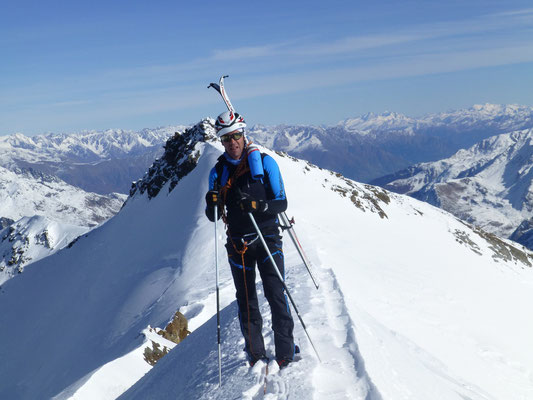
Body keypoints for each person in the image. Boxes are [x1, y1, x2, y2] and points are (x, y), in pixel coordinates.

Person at [205, 110, 296, 369]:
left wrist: (257, 205)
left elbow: (281, 202)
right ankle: (255, 353)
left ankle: (285, 353)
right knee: (246, 300)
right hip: (238, 243)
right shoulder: (218, 171)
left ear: (244, 134)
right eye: (225, 138)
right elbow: (212, 216)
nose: (231, 142)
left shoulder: (266, 163)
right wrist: (211, 201)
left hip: (267, 237)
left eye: (235, 135)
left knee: (276, 294)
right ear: (220, 142)